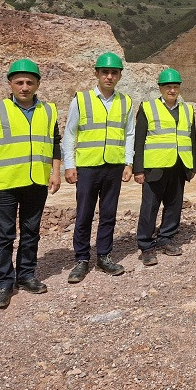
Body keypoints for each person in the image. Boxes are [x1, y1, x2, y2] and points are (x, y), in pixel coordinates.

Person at [0, 59, 61, 310]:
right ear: (10, 83)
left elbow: (54, 143)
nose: (24, 87)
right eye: (19, 82)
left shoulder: (49, 110)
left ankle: (26, 275)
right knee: (4, 235)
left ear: (37, 84)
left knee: (31, 231)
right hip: (6, 183)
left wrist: (55, 172)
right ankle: (4, 283)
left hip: (36, 181)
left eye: (29, 82)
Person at [63, 52, 134, 283]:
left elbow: (129, 133)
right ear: (97, 73)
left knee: (108, 214)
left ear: (120, 75)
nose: (109, 76)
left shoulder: (126, 102)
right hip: (88, 167)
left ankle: (104, 255)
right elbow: (70, 134)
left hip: (113, 166)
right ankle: (81, 259)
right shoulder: (81, 100)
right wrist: (69, 165)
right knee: (84, 214)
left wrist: (128, 162)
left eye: (114, 72)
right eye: (105, 72)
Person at [134, 68, 196, 266]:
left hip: (179, 165)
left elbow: (192, 138)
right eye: (168, 86)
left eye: (175, 86)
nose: (172, 90)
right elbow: (139, 139)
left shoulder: (187, 110)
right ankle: (146, 245)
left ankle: (166, 239)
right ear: (160, 88)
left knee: (174, 205)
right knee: (150, 206)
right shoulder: (148, 108)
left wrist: (193, 165)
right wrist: (138, 169)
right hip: (155, 166)